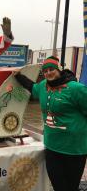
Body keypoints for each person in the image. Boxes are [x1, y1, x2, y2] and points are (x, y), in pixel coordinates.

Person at [14, 56, 87, 191]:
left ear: (58, 70)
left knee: (70, 187)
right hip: (52, 148)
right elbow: (31, 87)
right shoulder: (43, 86)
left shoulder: (76, 89)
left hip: (74, 150)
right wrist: (17, 76)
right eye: (45, 71)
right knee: (58, 185)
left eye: (51, 69)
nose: (48, 73)